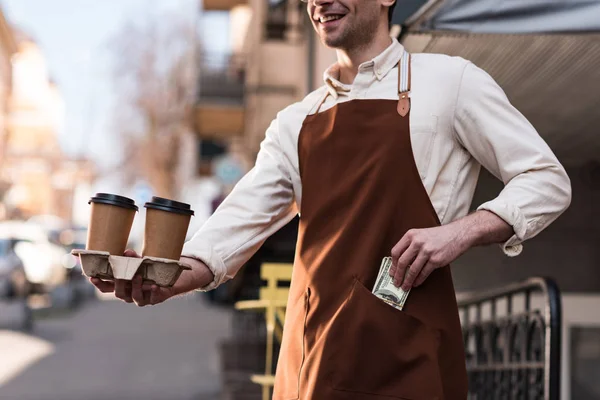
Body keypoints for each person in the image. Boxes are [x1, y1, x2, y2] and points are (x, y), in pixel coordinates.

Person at [91, 0, 572, 398]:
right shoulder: (296, 121)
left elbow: (545, 181)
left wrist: (460, 233)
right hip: (314, 359)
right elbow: (233, 229)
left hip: (411, 358)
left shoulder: (451, 83)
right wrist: (166, 279)